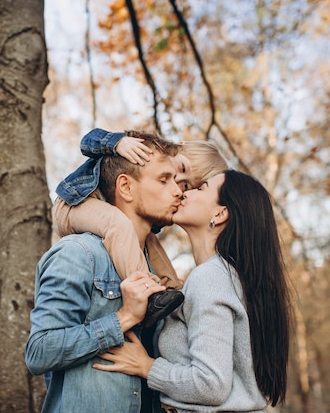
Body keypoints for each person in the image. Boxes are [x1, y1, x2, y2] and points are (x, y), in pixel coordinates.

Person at [94, 170, 293, 412]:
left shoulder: (210, 277)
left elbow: (210, 385)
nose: (185, 192)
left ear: (220, 213)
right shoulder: (227, 276)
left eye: (201, 188)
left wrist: (146, 366)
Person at [25, 130, 185, 413]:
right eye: (164, 180)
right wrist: (123, 318)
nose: (178, 190)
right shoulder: (78, 254)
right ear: (125, 187)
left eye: (177, 180)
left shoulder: (153, 263)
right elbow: (39, 352)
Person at [53, 128, 229, 326]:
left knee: (150, 241)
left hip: (106, 209)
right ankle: (146, 290)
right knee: (119, 224)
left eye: (186, 186)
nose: (177, 185)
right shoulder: (136, 148)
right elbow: (87, 141)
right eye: (181, 169)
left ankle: (171, 287)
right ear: (177, 148)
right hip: (74, 203)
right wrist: (118, 143)